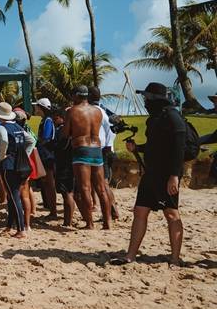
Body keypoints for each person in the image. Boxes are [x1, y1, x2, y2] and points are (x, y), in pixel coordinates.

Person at [114, 83, 187, 266]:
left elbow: (179, 149)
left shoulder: (173, 117)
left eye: (147, 98)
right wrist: (137, 148)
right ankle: (130, 255)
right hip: (151, 173)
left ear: (156, 99)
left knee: (171, 214)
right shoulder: (154, 118)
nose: (145, 101)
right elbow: (154, 146)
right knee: (140, 210)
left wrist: (174, 175)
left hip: (166, 175)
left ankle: (175, 258)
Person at [64, 86, 112, 230]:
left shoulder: (72, 111)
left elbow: (65, 133)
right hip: (97, 149)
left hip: (81, 149)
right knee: (101, 188)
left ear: (77, 96)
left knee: (85, 188)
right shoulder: (97, 111)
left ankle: (90, 223)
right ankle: (107, 222)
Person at [0, 103, 35, 238]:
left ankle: (21, 229)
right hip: (21, 165)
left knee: (14, 195)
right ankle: (10, 226)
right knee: (12, 195)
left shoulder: (2, 127)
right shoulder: (17, 126)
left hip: (9, 165)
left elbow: (4, 140)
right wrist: (25, 154)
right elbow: (31, 140)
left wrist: (2, 156)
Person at [89, 86, 118, 222]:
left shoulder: (95, 112)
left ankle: (112, 212)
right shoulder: (105, 109)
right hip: (110, 148)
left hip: (102, 150)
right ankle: (113, 211)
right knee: (103, 183)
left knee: (103, 184)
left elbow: (100, 136)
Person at [52, 108, 77, 227]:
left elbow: (61, 146)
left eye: (56, 118)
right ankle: (68, 220)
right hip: (70, 163)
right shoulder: (72, 130)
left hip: (64, 164)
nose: (54, 120)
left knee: (67, 193)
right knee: (69, 193)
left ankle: (68, 221)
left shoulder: (63, 130)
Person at [33, 98, 58, 218]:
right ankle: (50, 207)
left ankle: (53, 211)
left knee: (50, 183)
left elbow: (46, 137)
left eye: (37, 106)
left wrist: (37, 144)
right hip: (46, 154)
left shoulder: (47, 120)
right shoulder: (45, 120)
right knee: (47, 183)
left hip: (47, 155)